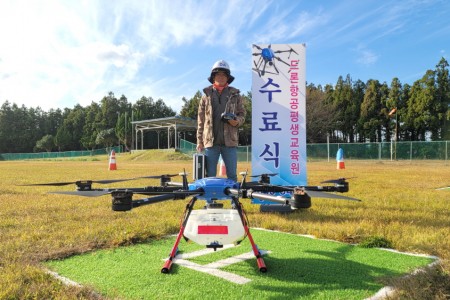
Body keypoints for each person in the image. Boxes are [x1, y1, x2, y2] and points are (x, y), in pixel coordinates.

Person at [196, 60, 246, 182]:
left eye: (224, 75)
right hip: (210, 142)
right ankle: (210, 201)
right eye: (218, 74)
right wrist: (199, 141)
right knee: (209, 176)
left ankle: (234, 201)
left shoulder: (236, 95)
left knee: (232, 176)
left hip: (230, 142)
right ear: (213, 77)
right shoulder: (205, 96)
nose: (221, 77)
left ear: (228, 78)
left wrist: (237, 121)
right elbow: (200, 121)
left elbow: (242, 114)